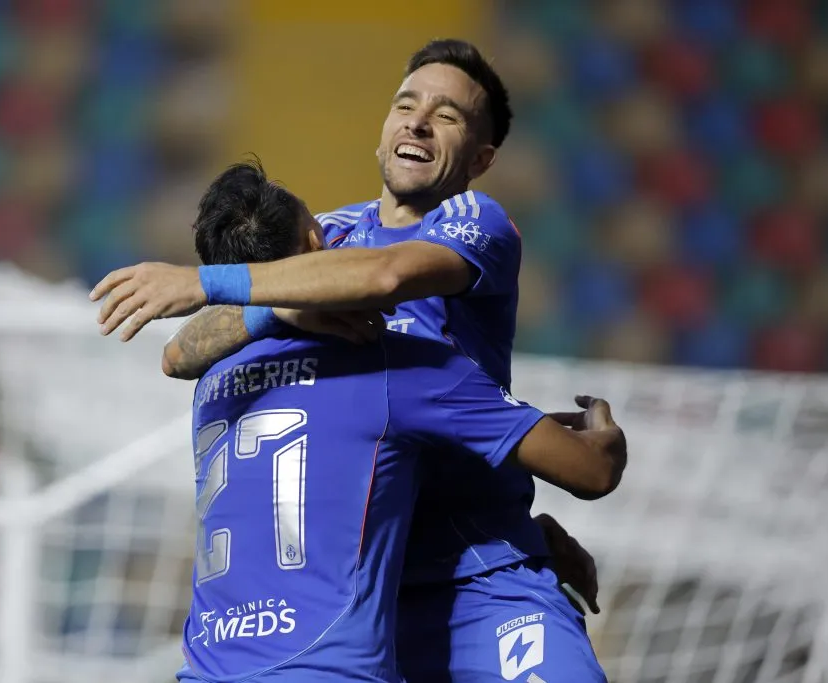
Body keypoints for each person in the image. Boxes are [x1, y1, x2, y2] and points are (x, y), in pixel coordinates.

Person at [92, 40, 611, 682]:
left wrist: (211, 281)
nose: (418, 121)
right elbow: (182, 352)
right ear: (384, 132)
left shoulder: (477, 221)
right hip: (365, 596)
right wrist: (283, 307)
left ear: (480, 158)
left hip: (479, 576)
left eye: (446, 115)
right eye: (405, 104)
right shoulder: (327, 238)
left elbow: (388, 277)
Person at [176, 161, 626, 682]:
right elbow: (591, 470)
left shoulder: (212, 380)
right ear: (318, 244)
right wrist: (601, 431)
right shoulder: (399, 367)